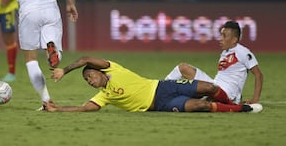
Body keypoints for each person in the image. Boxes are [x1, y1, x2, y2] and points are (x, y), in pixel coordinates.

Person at [43, 56, 262, 113]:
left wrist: (65, 70)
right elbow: (83, 108)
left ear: (99, 71)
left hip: (163, 87)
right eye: (86, 81)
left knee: (210, 89)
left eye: (89, 76)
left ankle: (230, 101)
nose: (90, 81)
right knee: (200, 106)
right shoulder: (105, 95)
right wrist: (57, 108)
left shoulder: (113, 68)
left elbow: (84, 59)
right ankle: (240, 109)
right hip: (160, 105)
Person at [165, 20, 263, 104]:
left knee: (192, 99)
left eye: (224, 36)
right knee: (183, 68)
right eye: (221, 35)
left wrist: (255, 99)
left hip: (227, 94)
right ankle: (161, 89)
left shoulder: (243, 52)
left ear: (234, 40)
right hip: (214, 85)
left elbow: (258, 75)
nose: (220, 39)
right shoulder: (225, 52)